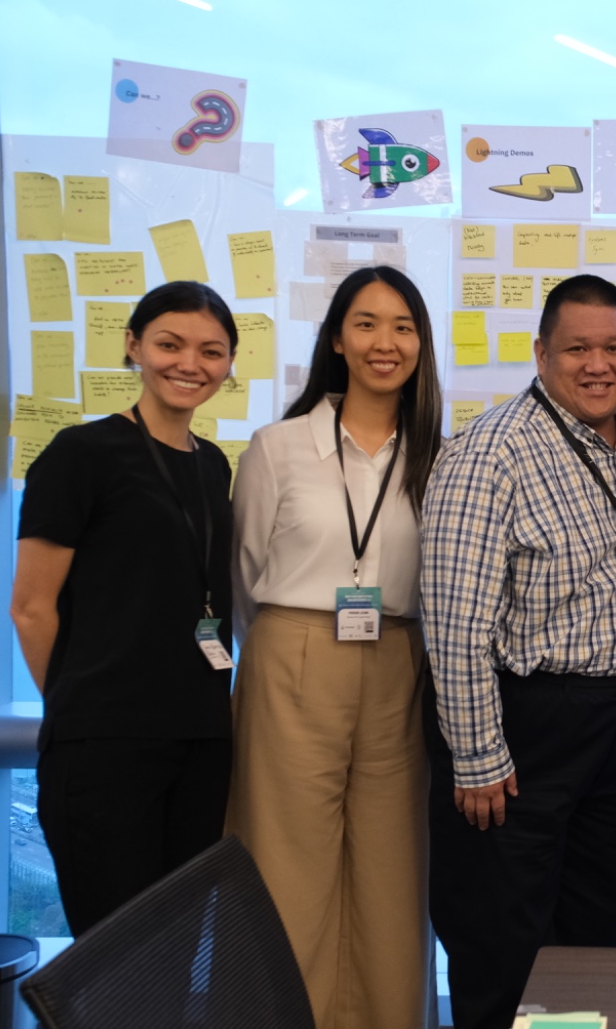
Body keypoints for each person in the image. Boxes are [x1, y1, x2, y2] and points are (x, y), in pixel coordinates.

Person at [422, 274, 616, 1029]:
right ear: (541, 354)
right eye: (577, 349)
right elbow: (454, 623)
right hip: (529, 733)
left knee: (593, 941)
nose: (597, 364)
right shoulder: (489, 452)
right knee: (506, 946)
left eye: (614, 347)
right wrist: (476, 755)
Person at [228, 265, 442, 1028]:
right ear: (336, 341)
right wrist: (287, 654)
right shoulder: (279, 447)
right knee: (284, 863)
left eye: (404, 326)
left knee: (394, 870)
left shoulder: (438, 458)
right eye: (366, 324)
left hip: (400, 663)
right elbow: (246, 575)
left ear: (421, 344)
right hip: (294, 653)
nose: (386, 342)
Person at [11, 280, 238, 936]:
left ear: (227, 363)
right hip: (104, 745)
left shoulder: (213, 465)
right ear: (133, 346)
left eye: (211, 350)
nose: (189, 364)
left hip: (199, 741)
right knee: (113, 955)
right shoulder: (81, 455)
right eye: (169, 344)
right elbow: (30, 607)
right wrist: (81, 707)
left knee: (177, 944)